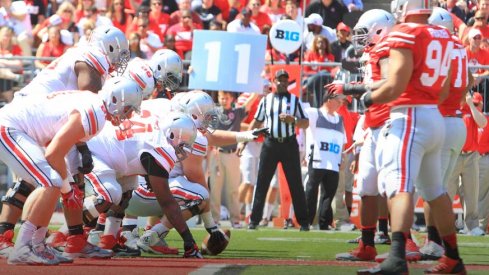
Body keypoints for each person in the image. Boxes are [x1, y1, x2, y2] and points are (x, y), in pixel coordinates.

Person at [336, 1, 465, 273]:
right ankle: (453, 257)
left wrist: (368, 96)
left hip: (408, 117)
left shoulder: (404, 32)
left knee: (399, 187)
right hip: (433, 114)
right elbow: (445, 87)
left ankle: (397, 254)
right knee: (434, 191)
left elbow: (394, 84)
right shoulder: (444, 36)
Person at [1, 76, 143, 264]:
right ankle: (23, 247)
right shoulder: (95, 113)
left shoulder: (92, 103)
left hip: (19, 127)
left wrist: (67, 184)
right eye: (128, 109)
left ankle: (37, 244)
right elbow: (53, 153)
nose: (129, 115)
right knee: (52, 181)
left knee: (56, 181)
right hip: (10, 127)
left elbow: (55, 145)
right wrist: (68, 190)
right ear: (115, 100)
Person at [331, 8, 396, 262]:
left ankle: (407, 242)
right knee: (366, 186)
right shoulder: (372, 51)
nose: (359, 38)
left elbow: (390, 82)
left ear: (380, 29)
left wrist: (349, 87)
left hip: (391, 123)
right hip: (374, 123)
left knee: (393, 186)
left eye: (363, 33)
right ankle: (367, 244)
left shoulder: (388, 49)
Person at [420, 7, 474, 260]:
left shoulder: (442, 47)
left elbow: (444, 81)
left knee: (432, 189)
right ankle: (439, 240)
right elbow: (470, 78)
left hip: (442, 120)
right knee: (439, 189)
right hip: (456, 121)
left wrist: (432, 103)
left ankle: (435, 242)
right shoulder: (460, 47)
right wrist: (458, 98)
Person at [247, 69, 310, 231]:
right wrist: (243, 140)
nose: (282, 83)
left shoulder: (295, 100)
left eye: (285, 80)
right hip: (270, 144)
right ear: (274, 82)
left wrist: (293, 120)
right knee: (262, 182)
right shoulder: (266, 100)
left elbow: (306, 123)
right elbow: (256, 121)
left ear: (288, 82)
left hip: (289, 144)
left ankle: (304, 222)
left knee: (295, 183)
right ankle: (254, 220)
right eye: (279, 80)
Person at [209, 91, 256, 228]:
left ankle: (235, 219)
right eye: (221, 98)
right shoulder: (214, 114)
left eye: (227, 98)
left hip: (232, 154)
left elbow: (249, 104)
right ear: (218, 98)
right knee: (215, 189)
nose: (224, 100)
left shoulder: (237, 113)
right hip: (216, 153)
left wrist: (256, 91)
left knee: (233, 189)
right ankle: (215, 219)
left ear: (232, 99)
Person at [304, 89, 346, 230]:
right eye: (338, 101)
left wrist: (342, 157)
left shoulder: (339, 118)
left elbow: (342, 140)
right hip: (317, 158)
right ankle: (306, 222)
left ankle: (324, 223)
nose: (341, 104)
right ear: (329, 99)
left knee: (329, 193)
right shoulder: (314, 113)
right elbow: (301, 118)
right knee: (311, 191)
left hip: (333, 162)